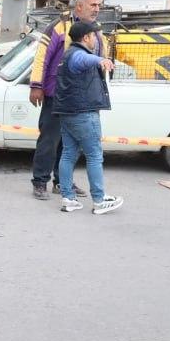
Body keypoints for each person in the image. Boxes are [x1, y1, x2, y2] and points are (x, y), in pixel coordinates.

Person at [28, 0, 102, 200]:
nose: (97, 9)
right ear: (79, 7)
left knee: (71, 144)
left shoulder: (96, 31)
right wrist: (36, 85)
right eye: (93, 5)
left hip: (80, 98)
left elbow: (99, 58)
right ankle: (40, 182)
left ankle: (62, 182)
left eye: (99, 5)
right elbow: (42, 56)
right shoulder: (59, 26)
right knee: (49, 141)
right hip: (56, 95)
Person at [54, 21, 122, 215]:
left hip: (67, 114)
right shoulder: (78, 55)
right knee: (94, 156)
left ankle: (68, 199)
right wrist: (100, 60)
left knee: (68, 154)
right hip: (83, 114)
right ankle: (99, 200)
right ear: (86, 37)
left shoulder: (66, 55)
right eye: (94, 36)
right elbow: (85, 60)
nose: (96, 39)